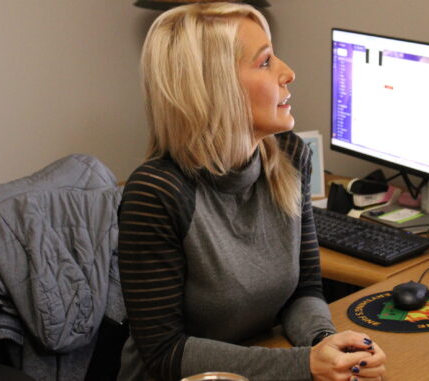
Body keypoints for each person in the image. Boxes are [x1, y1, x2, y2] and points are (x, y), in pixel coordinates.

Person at [116, 3, 386, 381]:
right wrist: (305, 364)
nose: (288, 73)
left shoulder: (290, 155)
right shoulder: (157, 193)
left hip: (259, 361)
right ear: (213, 86)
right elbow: (164, 352)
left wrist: (327, 343)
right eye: (265, 63)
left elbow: (303, 289)